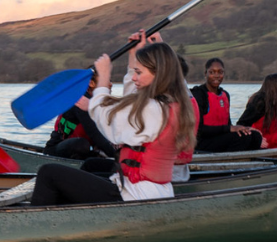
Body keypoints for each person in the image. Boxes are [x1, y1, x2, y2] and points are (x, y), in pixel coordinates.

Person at [30, 34, 196, 205]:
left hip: (136, 194)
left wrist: (102, 78)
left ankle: (37, 226)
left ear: (158, 74)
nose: (133, 77)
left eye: (139, 73)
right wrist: (133, 55)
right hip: (147, 189)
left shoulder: (152, 109)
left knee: (48, 173)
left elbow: (107, 122)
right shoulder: (168, 103)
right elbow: (132, 98)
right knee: (91, 166)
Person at [191, 57, 261, 152]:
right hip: (203, 141)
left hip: (221, 137)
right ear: (205, 74)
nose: (216, 75)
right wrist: (228, 129)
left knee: (255, 136)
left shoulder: (225, 95)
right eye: (212, 72)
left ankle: (246, 161)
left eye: (220, 72)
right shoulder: (199, 94)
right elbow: (199, 130)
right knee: (241, 139)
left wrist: (244, 129)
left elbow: (228, 124)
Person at [237, 72, 277, 148]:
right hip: (259, 139)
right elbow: (241, 124)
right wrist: (255, 137)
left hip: (272, 136)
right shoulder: (260, 102)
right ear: (275, 86)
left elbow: (275, 125)